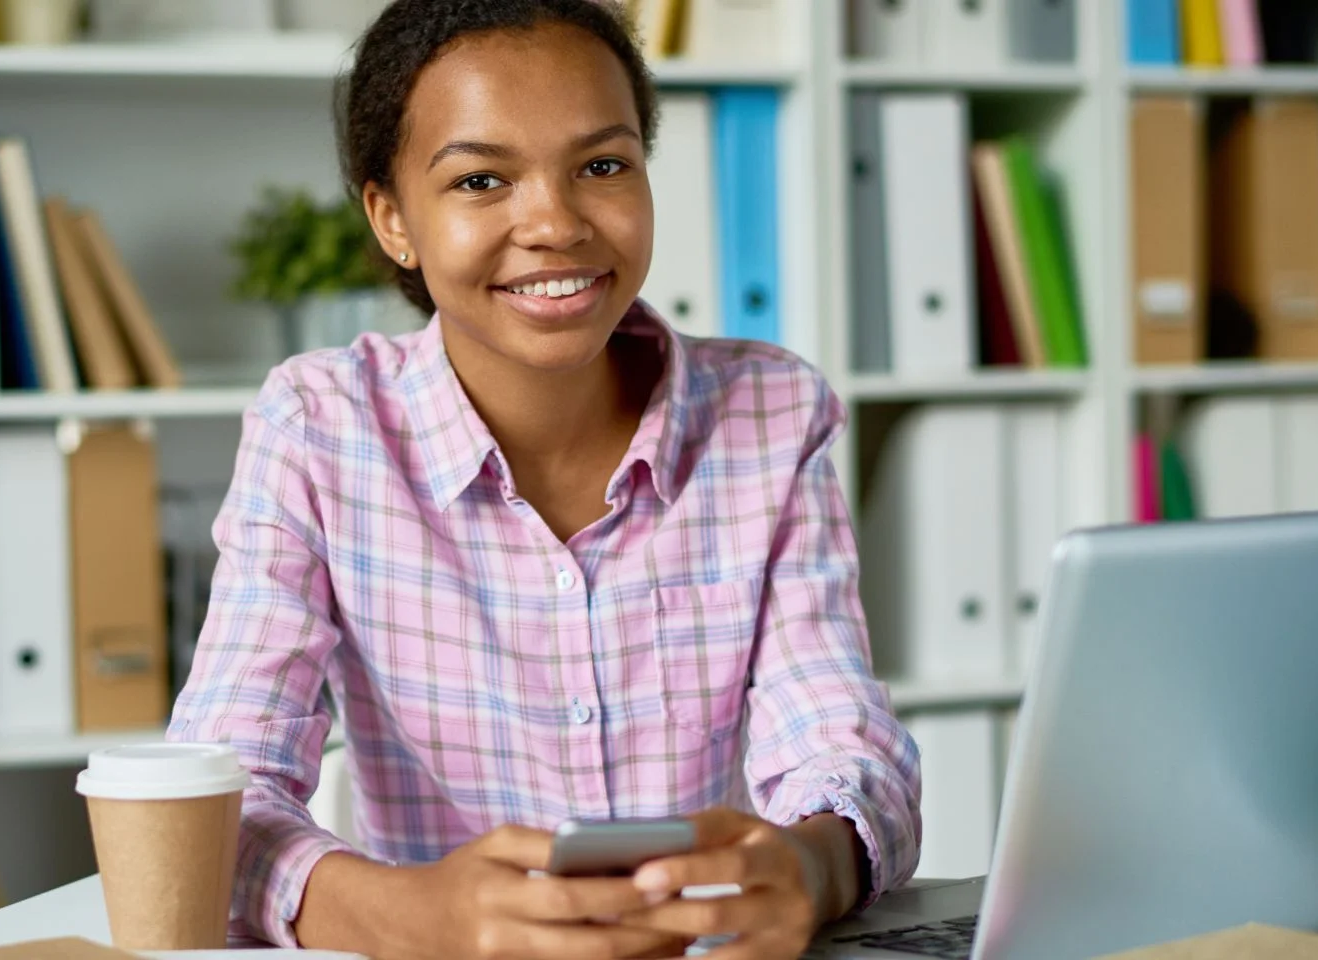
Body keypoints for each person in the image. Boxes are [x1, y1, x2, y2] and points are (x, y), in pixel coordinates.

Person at [167, 1, 923, 957]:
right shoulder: (321, 428)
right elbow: (211, 793)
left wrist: (809, 868)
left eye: (602, 166)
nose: (556, 223)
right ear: (393, 219)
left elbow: (843, 746)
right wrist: (413, 916)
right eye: (481, 179)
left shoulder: (769, 413)